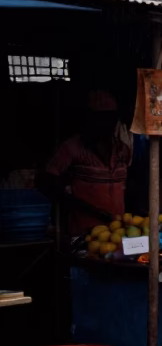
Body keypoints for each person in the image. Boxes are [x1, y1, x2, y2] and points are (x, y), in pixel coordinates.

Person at [40, 90, 133, 236]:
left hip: (117, 231)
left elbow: (128, 187)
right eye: (100, 118)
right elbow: (46, 184)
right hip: (83, 231)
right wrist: (88, 209)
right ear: (90, 119)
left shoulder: (122, 150)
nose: (106, 124)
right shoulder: (71, 148)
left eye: (110, 118)